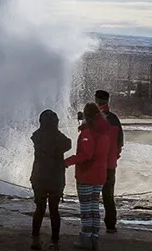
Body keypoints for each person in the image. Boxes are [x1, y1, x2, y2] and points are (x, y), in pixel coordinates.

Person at [64, 102, 116, 250]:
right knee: (94, 208)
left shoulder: (88, 133)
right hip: (100, 174)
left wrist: (66, 162)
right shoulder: (104, 130)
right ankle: (94, 238)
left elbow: (86, 155)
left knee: (86, 209)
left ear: (87, 116)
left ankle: (85, 239)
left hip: (87, 175)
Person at [31, 109, 73, 250]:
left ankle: (35, 239)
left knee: (39, 209)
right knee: (54, 210)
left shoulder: (36, 136)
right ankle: (54, 241)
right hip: (55, 179)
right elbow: (69, 144)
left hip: (39, 177)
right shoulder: (59, 138)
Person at [94, 90, 124, 234]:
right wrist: (114, 157)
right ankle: (111, 225)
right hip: (110, 166)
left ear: (97, 100)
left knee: (92, 196)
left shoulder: (94, 119)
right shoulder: (114, 119)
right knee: (108, 196)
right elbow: (120, 142)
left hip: (95, 166)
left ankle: (91, 226)